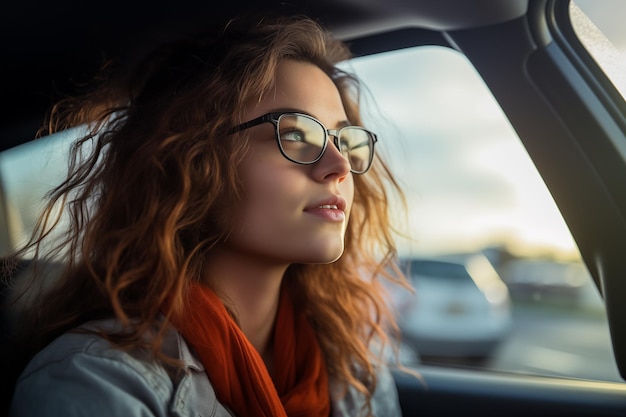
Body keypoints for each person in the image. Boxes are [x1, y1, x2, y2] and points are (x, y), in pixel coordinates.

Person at [5, 14, 408, 417]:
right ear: (189, 162)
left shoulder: (354, 366)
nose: (339, 165)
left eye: (343, 138)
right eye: (295, 134)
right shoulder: (97, 380)